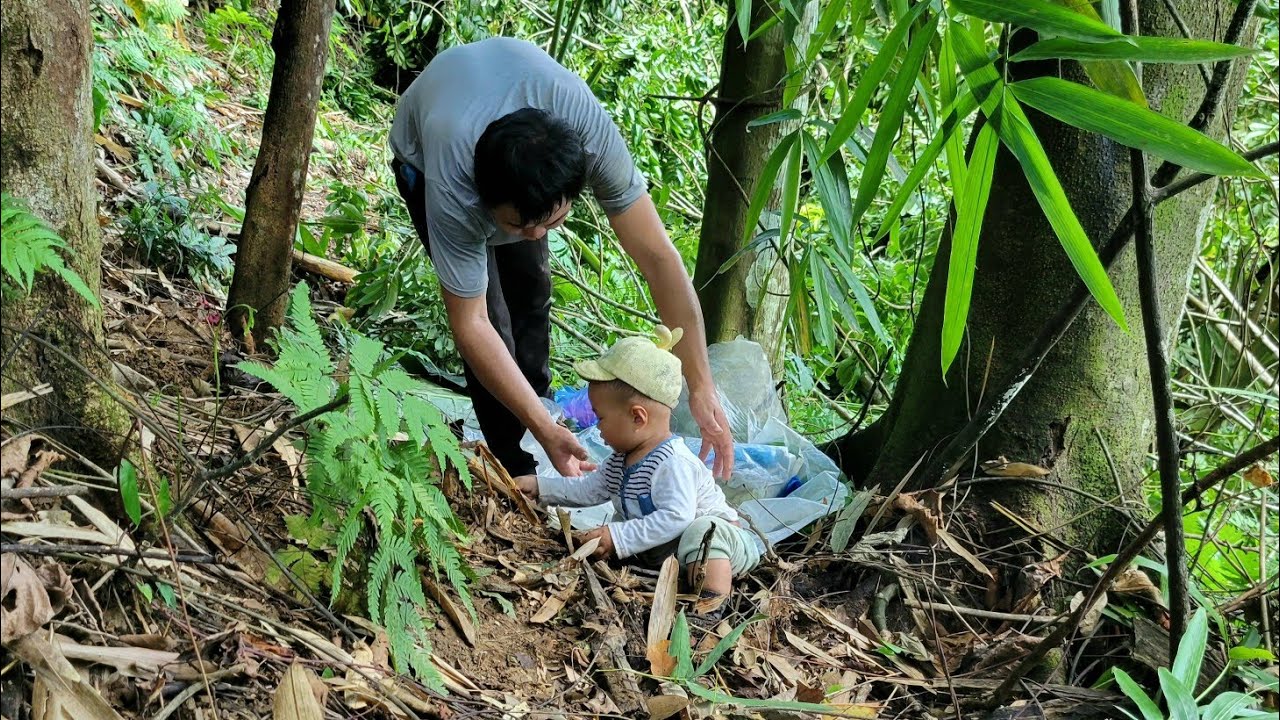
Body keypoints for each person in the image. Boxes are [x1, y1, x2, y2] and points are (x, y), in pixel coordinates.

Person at [388, 36, 733, 485]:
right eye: (517, 226)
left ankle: (544, 415)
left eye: (551, 223)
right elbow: (471, 324)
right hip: (424, 149)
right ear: (485, 202)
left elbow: (658, 257)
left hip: (519, 133)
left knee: (531, 289)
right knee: (492, 312)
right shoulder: (454, 184)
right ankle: (517, 467)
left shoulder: (588, 135)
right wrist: (539, 427)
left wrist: (701, 384)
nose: (534, 236)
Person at [514, 326, 760, 613]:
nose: (597, 426)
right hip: (674, 556)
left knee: (703, 530)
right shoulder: (620, 461)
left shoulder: (672, 462)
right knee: (636, 535)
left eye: (600, 417)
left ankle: (712, 604)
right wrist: (541, 486)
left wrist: (618, 536)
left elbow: (676, 517)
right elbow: (586, 489)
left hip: (726, 545)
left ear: (637, 417)